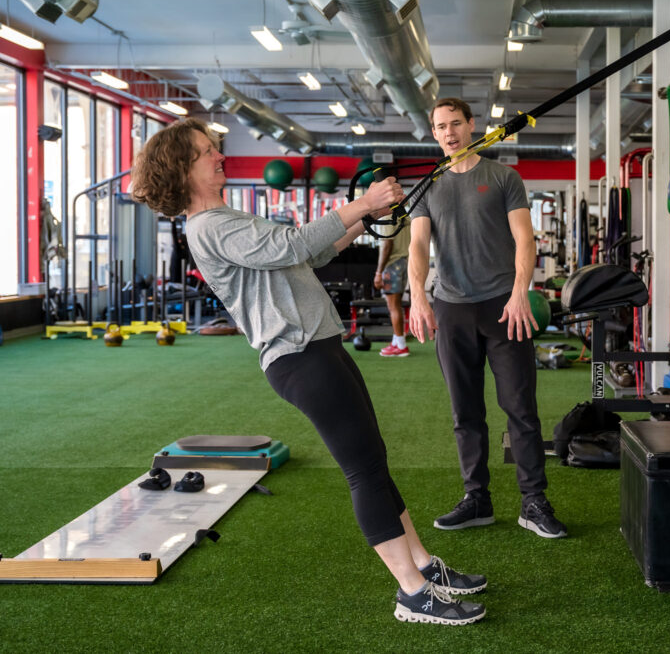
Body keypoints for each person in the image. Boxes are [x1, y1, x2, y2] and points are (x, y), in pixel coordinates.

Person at [131, 118, 485, 625]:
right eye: (208, 151)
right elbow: (291, 246)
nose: (219, 155)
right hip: (300, 357)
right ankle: (411, 593)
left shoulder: (227, 217)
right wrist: (361, 203)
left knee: (374, 461)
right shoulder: (211, 226)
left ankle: (424, 567)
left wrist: (371, 215)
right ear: (183, 168)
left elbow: (311, 252)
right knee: (363, 470)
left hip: (319, 346)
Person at [407, 98, 567, 539]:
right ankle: (476, 498)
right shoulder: (427, 185)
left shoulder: (502, 177)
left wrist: (520, 293)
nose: (449, 132)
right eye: (440, 126)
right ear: (433, 132)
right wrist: (417, 295)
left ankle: (533, 501)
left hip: (503, 307)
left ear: (472, 125)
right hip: (451, 307)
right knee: (466, 411)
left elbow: (524, 239)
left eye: (455, 123)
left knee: (521, 408)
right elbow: (419, 245)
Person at [373, 215, 411, 357]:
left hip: (392, 266)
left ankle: (401, 346)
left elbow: (387, 245)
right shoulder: (405, 217)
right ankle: (396, 342)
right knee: (397, 305)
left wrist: (379, 272)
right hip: (405, 263)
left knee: (393, 306)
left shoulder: (387, 218)